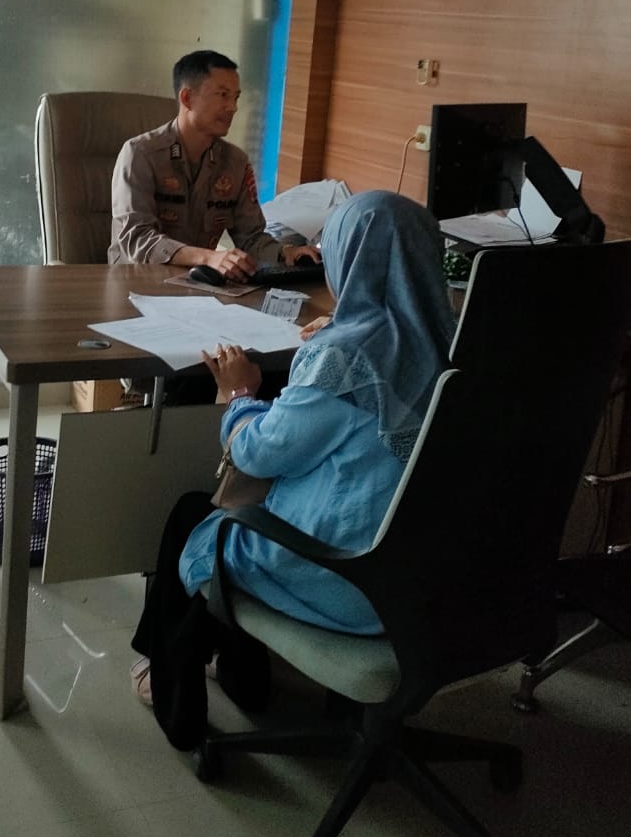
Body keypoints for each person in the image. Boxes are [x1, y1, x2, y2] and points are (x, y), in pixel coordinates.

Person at [129, 189, 455, 751]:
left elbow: (258, 454)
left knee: (195, 514)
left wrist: (239, 395)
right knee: (256, 505)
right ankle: (244, 676)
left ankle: (176, 702)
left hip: (354, 581)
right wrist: (338, 336)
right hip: (430, 579)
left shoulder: (344, 357)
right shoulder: (454, 344)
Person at [108, 49, 319, 279]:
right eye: (223, 95)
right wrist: (208, 258)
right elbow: (137, 239)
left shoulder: (235, 163)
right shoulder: (140, 154)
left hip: (196, 283)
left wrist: (285, 252)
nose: (233, 107)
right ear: (187, 98)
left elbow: (250, 238)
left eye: (236, 97)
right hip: (135, 280)